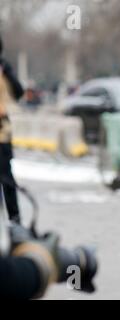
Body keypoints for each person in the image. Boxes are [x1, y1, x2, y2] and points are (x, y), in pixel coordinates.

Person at [0, 36, 23, 223]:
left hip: (2, 132)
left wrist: (6, 71)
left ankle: (15, 220)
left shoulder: (3, 68)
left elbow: (19, 91)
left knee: (6, 178)